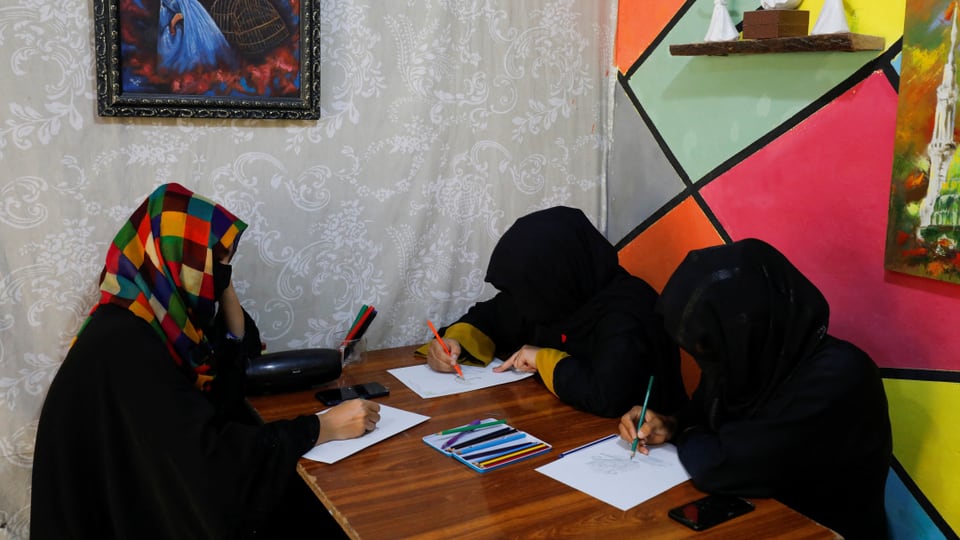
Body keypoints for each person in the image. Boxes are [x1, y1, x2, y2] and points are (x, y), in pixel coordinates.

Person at [31, 183, 379, 539]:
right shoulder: (125, 345)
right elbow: (207, 467)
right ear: (175, 260)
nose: (224, 269)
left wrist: (223, 283)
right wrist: (321, 428)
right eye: (215, 259)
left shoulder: (159, 317)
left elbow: (236, 359)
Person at [619, 238, 891, 539]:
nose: (705, 362)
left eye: (707, 349)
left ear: (747, 325)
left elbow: (720, 465)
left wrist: (689, 432)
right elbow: (703, 411)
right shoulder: (751, 355)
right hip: (756, 517)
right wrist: (669, 422)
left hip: (821, 531)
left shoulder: (839, 378)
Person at [422, 206, 687, 418]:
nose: (521, 298)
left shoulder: (628, 309)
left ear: (556, 271)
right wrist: (451, 343)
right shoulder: (553, 293)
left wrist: (542, 359)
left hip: (643, 449)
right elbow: (492, 316)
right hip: (564, 428)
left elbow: (606, 394)